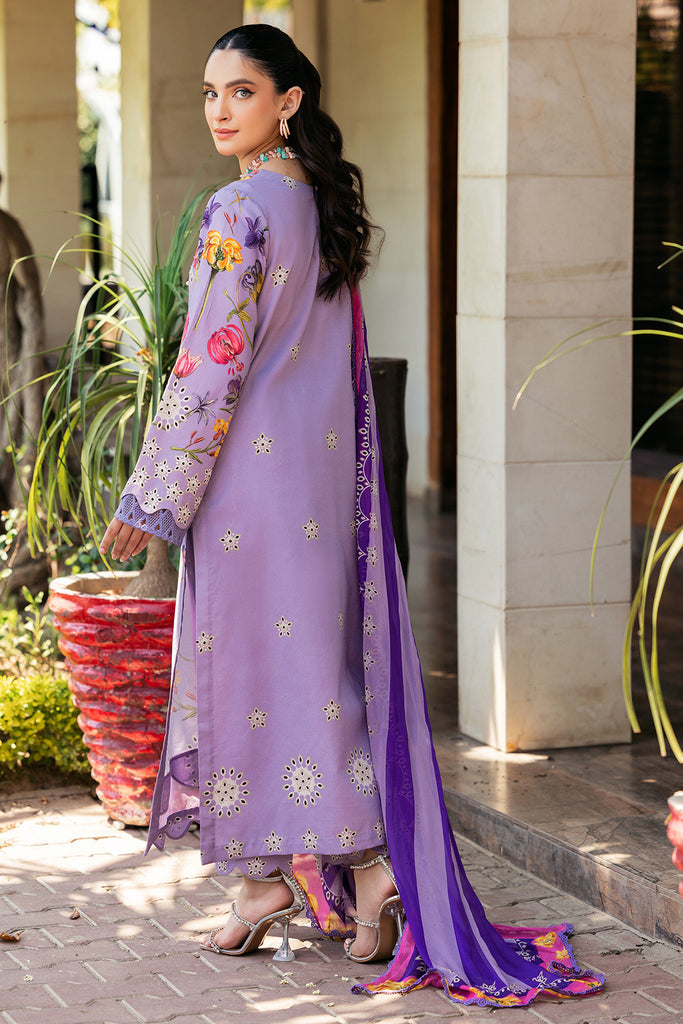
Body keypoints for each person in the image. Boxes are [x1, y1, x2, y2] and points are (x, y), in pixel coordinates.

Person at [99, 23, 605, 1008]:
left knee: (246, 673)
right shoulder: (322, 206)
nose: (218, 110)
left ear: (287, 101)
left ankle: (279, 878)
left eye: (241, 92)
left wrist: (151, 498)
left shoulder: (237, 210)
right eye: (210, 92)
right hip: (323, 484)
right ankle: (349, 878)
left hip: (245, 487)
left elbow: (206, 367)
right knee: (313, 676)